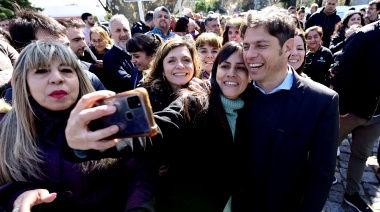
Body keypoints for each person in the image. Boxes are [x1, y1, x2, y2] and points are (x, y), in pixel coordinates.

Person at [65, 41, 250, 212]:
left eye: (241, 67)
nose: (231, 73)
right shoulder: (194, 102)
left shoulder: (255, 107)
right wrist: (88, 140)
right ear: (215, 70)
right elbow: (155, 128)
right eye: (225, 66)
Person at [0, 41, 155, 212]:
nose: (57, 78)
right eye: (41, 71)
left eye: (66, 70)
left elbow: (138, 176)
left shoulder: (108, 118)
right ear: (24, 84)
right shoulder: (4, 128)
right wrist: (14, 195)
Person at [231, 6, 339, 211]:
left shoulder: (321, 101)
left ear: (288, 47)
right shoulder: (234, 91)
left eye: (261, 45)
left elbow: (321, 174)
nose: (250, 55)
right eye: (246, 46)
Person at [330, 20, 380, 212]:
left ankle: (352, 193)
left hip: (377, 115)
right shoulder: (365, 35)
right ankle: (316, 181)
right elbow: (343, 72)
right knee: (327, 146)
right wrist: (342, 107)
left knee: (361, 155)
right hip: (351, 112)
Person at [140, 39, 201, 112]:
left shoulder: (204, 93)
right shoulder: (146, 100)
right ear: (162, 69)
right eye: (171, 61)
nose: (180, 66)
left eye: (186, 60)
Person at [102, 14, 135, 93]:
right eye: (118, 30)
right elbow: (126, 81)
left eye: (125, 30)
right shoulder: (109, 57)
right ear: (111, 34)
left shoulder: (138, 50)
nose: (123, 34)